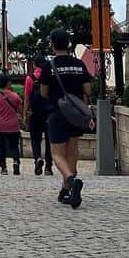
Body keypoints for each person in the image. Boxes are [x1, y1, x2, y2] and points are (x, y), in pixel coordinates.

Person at [45, 27, 93, 208]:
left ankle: (71, 181)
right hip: (75, 113)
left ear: (52, 45)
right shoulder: (79, 64)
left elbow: (44, 92)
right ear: (69, 44)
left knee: (57, 153)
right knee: (72, 152)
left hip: (57, 112)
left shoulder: (48, 66)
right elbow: (88, 89)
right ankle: (66, 191)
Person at [24, 56, 54, 177]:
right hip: (49, 112)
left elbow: (27, 98)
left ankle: (37, 158)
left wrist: (25, 113)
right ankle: (48, 166)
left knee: (35, 139)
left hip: (35, 113)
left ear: (35, 65)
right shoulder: (50, 77)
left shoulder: (30, 78)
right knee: (49, 140)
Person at [0, 75, 23, 174]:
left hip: (0, 126)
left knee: (1, 147)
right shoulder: (15, 96)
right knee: (14, 146)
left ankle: (3, 168)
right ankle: (16, 162)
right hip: (13, 125)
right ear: (8, 83)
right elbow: (20, 110)